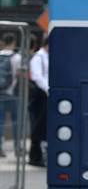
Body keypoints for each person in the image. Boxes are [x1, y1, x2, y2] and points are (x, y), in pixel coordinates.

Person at [0, 34, 21, 157]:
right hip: (12, 93)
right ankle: (17, 148)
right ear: (14, 42)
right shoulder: (17, 57)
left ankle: (0, 147)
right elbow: (20, 75)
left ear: (3, 41)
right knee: (15, 121)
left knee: (0, 121)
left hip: (0, 93)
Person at [28, 37, 48, 167]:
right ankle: (34, 157)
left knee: (43, 125)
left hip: (45, 94)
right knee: (37, 125)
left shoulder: (46, 56)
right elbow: (37, 76)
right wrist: (48, 89)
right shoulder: (38, 57)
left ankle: (40, 155)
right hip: (39, 94)